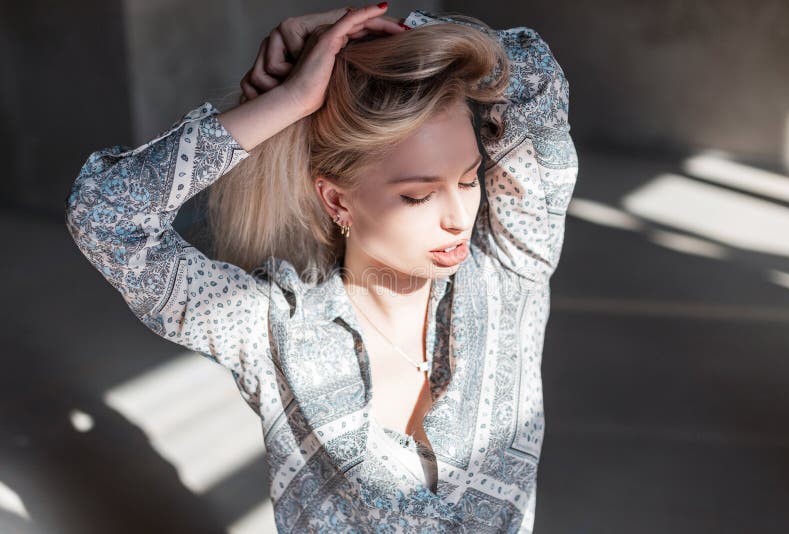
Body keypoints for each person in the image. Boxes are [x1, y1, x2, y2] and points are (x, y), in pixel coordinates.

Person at [64, 4, 578, 532]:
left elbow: (534, 81)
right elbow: (106, 213)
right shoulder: (269, 332)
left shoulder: (512, 273)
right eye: (418, 195)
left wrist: (396, 38)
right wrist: (285, 103)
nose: (458, 218)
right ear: (338, 201)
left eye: (468, 181)